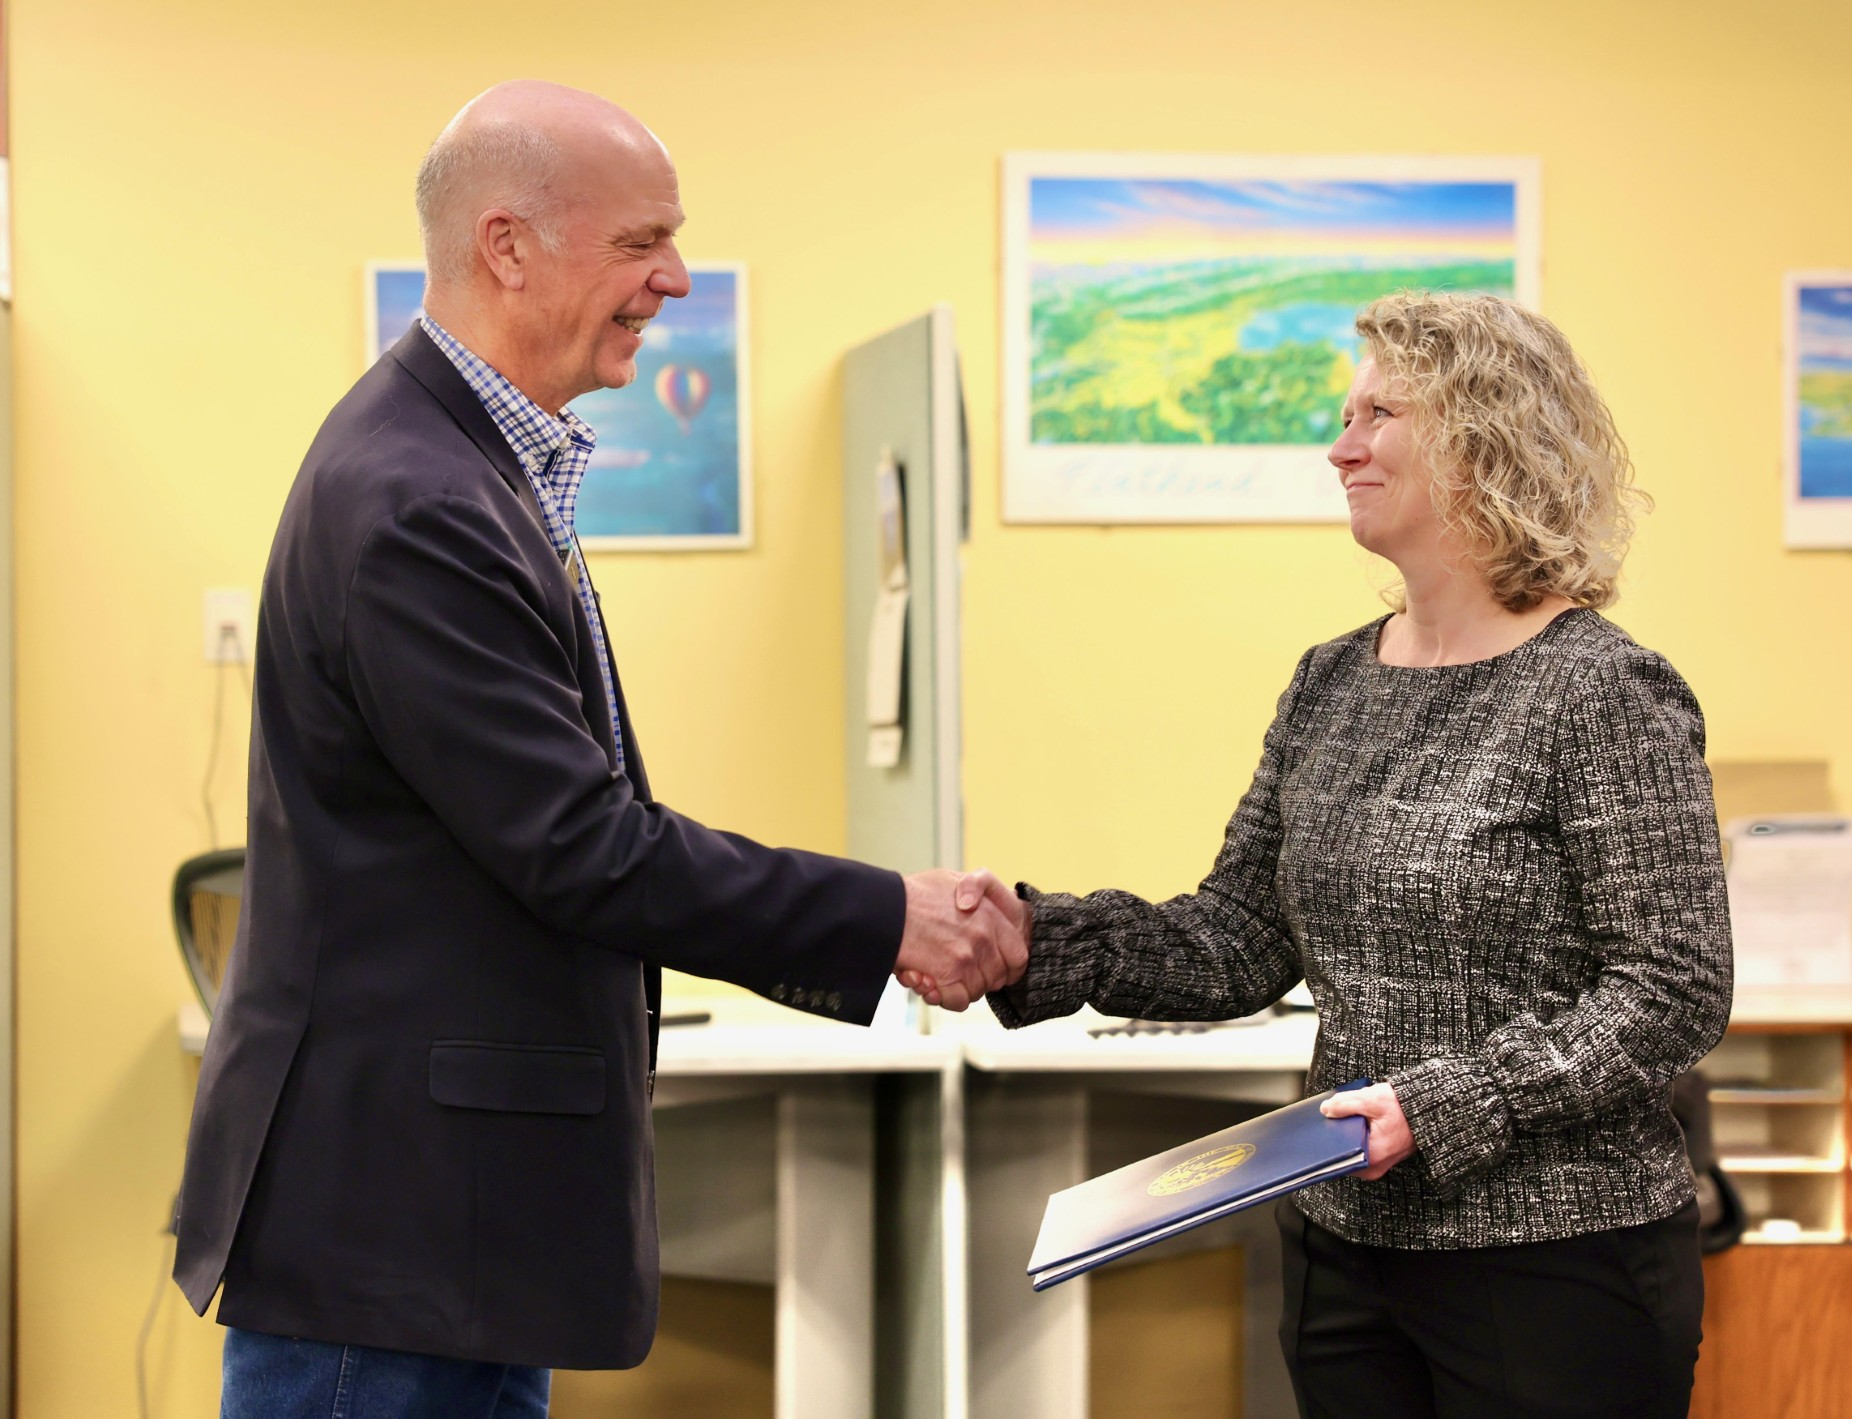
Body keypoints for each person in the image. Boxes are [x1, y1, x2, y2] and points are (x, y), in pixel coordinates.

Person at [173, 80, 1025, 1418]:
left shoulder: (469, 471)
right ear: (508, 246)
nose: (675, 280)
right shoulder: (416, 501)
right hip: (389, 1239)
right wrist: (889, 914)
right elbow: (580, 842)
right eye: (643, 244)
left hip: (449, 1228)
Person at [922, 292, 1735, 1418]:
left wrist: (1445, 1105)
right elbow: (1239, 941)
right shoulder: (1333, 681)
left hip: (1557, 1258)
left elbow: (1672, 989)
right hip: (1346, 1248)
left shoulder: (1602, 690)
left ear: (1484, 440)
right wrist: (1032, 942)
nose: (1339, 444)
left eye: (1377, 413)